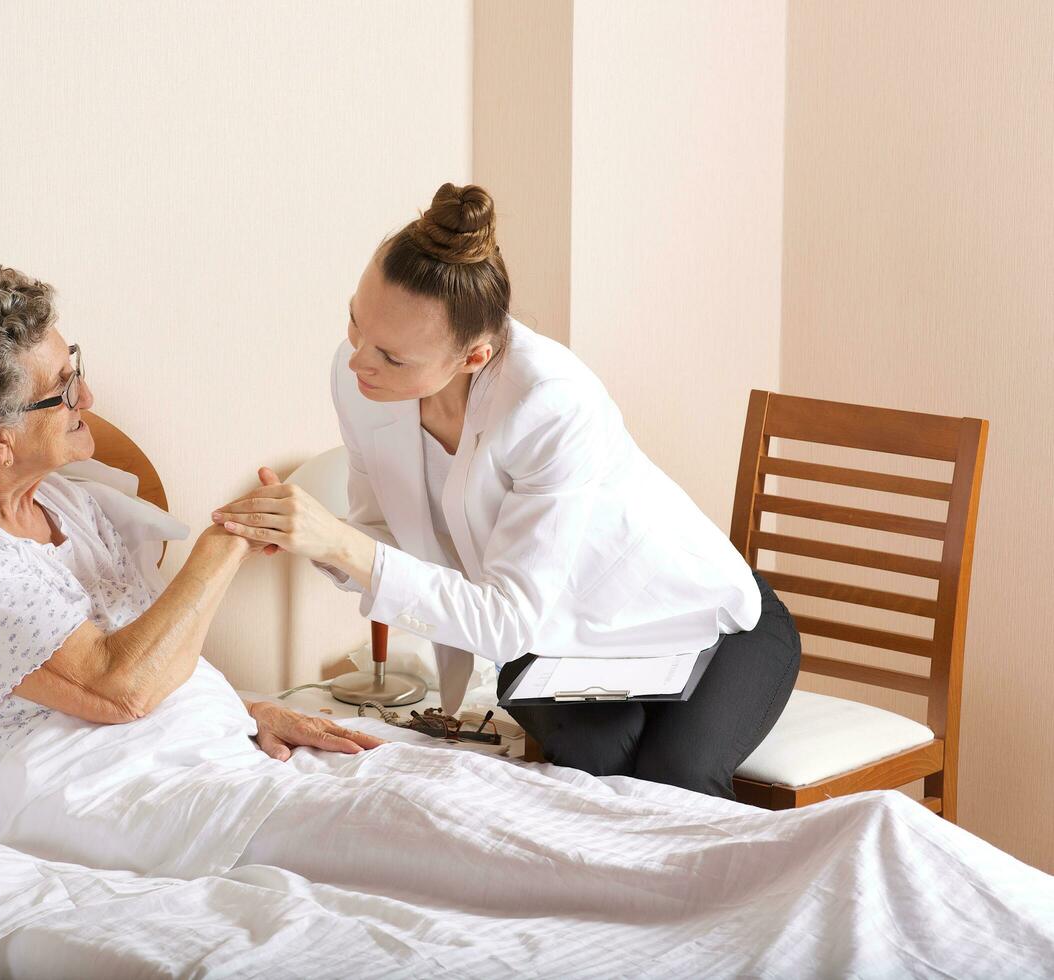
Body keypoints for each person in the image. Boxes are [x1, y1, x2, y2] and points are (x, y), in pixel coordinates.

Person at [212, 182, 802, 799]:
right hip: (560, 646)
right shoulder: (360, 377)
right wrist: (310, 534)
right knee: (592, 774)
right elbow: (383, 538)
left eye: (390, 354)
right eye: (354, 323)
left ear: (474, 358)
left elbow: (505, 621)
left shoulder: (549, 402)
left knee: (672, 781)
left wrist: (339, 542)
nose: (359, 359)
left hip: (704, 623)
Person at [0, 265, 382, 838]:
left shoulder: (69, 507)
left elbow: (151, 660)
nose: (87, 396)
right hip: (85, 794)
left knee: (428, 798)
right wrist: (227, 540)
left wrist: (245, 712)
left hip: (186, 758)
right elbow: (121, 690)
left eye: (77, 370)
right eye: (63, 390)